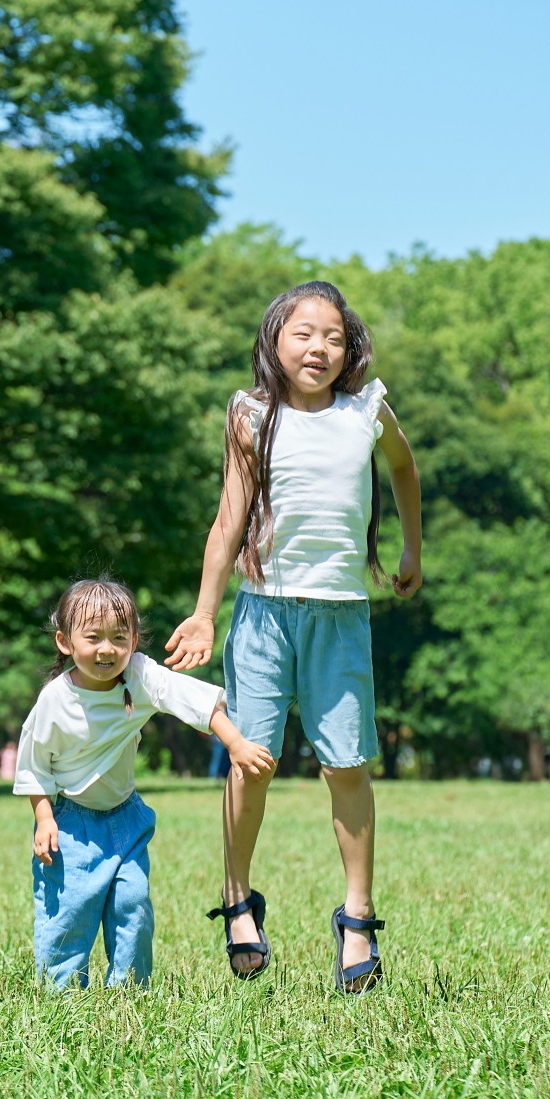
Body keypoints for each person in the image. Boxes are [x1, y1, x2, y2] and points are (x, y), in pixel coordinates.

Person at [164, 281, 423, 992]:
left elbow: (404, 469)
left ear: (351, 350)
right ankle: (238, 898)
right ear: (275, 340)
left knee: (346, 765)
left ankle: (359, 917)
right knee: (253, 761)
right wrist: (202, 611)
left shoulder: (366, 410)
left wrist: (410, 551)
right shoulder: (252, 413)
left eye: (334, 337)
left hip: (341, 613)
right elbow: (228, 519)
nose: (319, 347)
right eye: (304, 333)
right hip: (263, 612)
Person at [15, 579, 258, 990]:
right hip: (70, 824)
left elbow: (190, 698)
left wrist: (235, 743)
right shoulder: (55, 700)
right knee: (70, 912)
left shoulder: (140, 675)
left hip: (125, 819)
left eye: (119, 637)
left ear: (133, 640)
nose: (107, 649)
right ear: (64, 641)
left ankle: (130, 992)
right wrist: (43, 819)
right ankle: (61, 995)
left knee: (133, 905)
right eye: (93, 638)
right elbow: (34, 765)